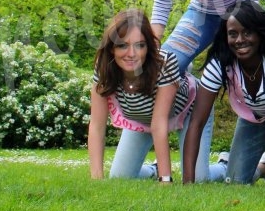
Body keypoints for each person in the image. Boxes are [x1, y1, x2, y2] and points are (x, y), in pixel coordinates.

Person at [182, 1, 265, 190]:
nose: (240, 40)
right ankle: (264, 167)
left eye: (247, 32)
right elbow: (196, 123)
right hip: (256, 115)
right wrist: (187, 183)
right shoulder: (220, 63)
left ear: (260, 32)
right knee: (235, 182)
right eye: (233, 34)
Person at [88, 9, 213, 182]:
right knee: (120, 177)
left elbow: (159, 123)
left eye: (140, 45)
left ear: (148, 46)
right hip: (143, 118)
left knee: (198, 179)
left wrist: (166, 179)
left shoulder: (164, 63)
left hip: (190, 109)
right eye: (123, 45)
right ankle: (153, 169)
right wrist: (96, 179)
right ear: (111, 48)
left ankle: (223, 165)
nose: (131, 54)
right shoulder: (104, 69)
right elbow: (97, 125)